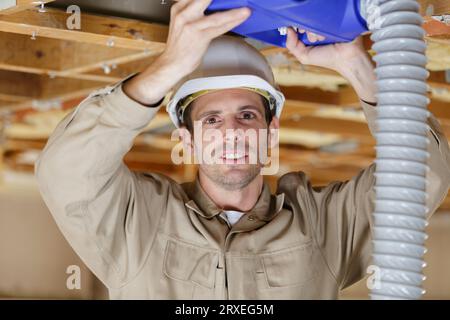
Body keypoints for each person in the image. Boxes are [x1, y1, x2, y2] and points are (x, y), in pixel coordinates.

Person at [35, 0, 450, 299]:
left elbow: (424, 173)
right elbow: (65, 172)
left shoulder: (322, 230)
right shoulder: (137, 225)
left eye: (247, 116)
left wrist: (358, 67)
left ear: (271, 132)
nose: (231, 131)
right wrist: (169, 68)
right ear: (187, 139)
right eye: (211, 120)